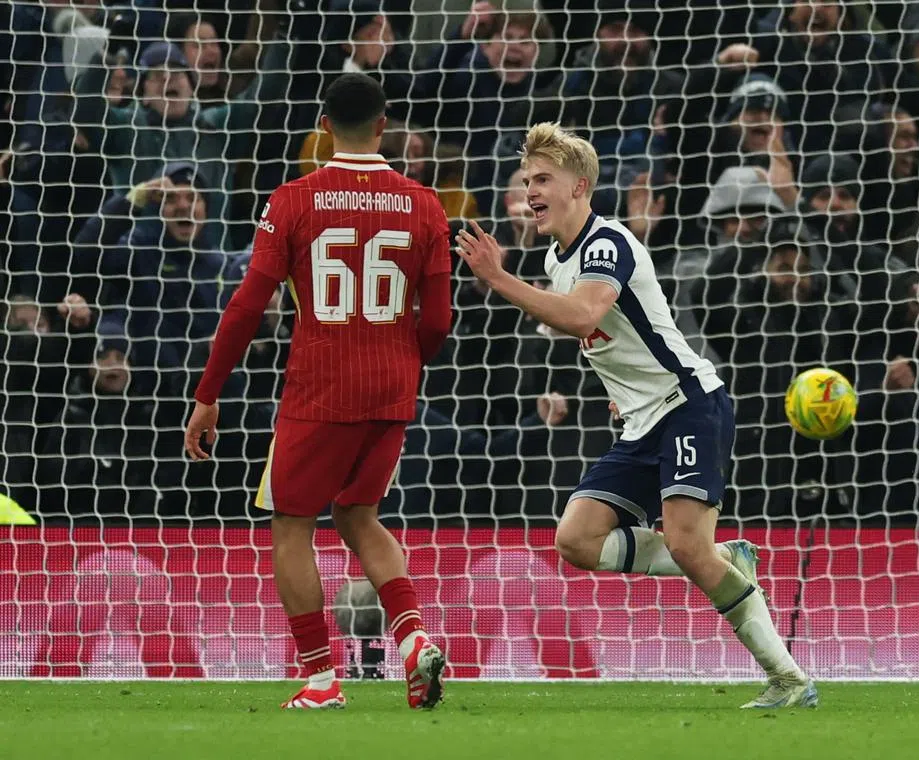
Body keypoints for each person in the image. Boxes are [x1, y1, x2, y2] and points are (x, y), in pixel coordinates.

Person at [455, 122, 817, 709]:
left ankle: (789, 678)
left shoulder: (606, 242)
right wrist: (620, 388)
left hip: (688, 405)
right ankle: (726, 560)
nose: (532, 193)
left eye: (544, 180)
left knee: (684, 544)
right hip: (641, 420)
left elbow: (582, 315)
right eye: (527, 181)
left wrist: (496, 277)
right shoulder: (556, 256)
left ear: (582, 185)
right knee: (575, 540)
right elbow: (603, 334)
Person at [184, 73, 452, 711]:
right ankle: (413, 640)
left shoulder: (293, 200)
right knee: (359, 515)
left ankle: (320, 677)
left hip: (320, 388)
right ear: (384, 125)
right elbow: (438, 320)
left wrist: (208, 392)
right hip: (392, 389)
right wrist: (405, 363)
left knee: (291, 524)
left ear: (323, 125)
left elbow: (250, 304)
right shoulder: (425, 204)